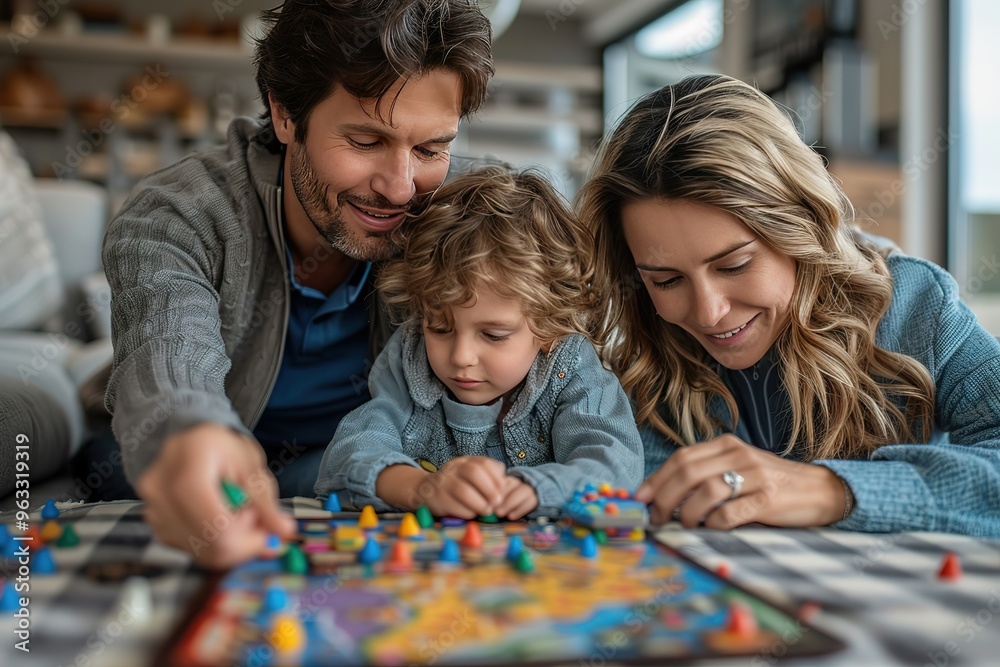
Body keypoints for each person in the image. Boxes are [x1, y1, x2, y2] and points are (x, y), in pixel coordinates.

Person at [98, 0, 494, 567]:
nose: (401, 188)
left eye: (431, 149)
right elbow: (166, 352)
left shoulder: (470, 212)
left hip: (356, 466)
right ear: (285, 115)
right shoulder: (180, 213)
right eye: (364, 142)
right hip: (201, 458)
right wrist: (188, 434)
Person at [578, 74, 1000, 536]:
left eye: (734, 265)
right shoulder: (646, 349)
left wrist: (829, 490)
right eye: (667, 280)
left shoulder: (917, 306)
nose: (708, 313)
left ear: (800, 227)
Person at [314, 167, 644, 519]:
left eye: (494, 335)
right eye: (439, 328)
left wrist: (537, 489)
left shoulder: (571, 367)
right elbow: (347, 454)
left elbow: (614, 462)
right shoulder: (411, 356)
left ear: (550, 327)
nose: (461, 357)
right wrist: (422, 488)